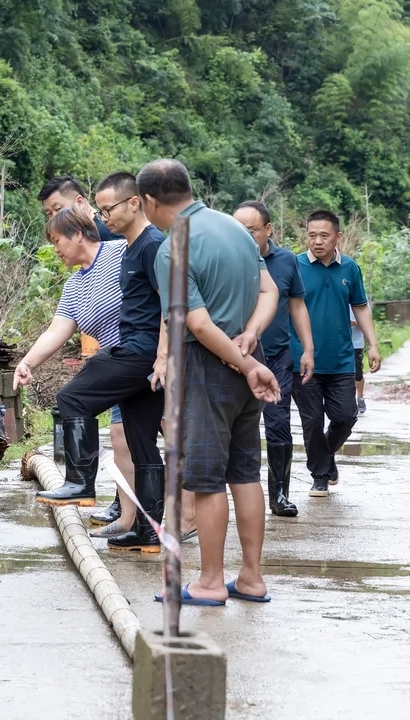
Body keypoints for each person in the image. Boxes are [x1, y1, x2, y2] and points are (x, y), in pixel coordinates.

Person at [143, 159, 281, 606]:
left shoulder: (173, 248)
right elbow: (269, 292)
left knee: (205, 480)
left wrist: (242, 363)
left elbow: (199, 325)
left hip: (209, 367)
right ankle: (252, 578)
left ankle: (210, 581)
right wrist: (252, 341)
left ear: (148, 201)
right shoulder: (237, 229)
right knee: (244, 472)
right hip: (246, 357)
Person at [34, 171, 168, 554]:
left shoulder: (150, 246)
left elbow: (171, 303)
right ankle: (148, 532)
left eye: (107, 208)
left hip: (140, 351)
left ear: (134, 203)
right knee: (143, 446)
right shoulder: (130, 247)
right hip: (143, 356)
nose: (102, 215)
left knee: (73, 399)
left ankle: (80, 482)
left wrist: (163, 357)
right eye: (100, 209)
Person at [12, 208, 138, 539]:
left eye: (57, 241)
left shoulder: (119, 251)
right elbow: (57, 331)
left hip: (144, 356)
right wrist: (27, 363)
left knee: (170, 433)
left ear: (78, 235)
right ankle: (130, 521)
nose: (55, 249)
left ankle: (189, 513)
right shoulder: (75, 284)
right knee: (123, 440)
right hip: (119, 364)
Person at [290, 211, 381, 498]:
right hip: (302, 360)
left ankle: (324, 457)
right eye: (312, 235)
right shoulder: (295, 265)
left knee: (346, 415)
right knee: (313, 420)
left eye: (324, 235)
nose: (317, 241)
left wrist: (373, 344)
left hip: (341, 358)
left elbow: (361, 306)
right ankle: (319, 476)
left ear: (337, 237)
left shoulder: (350, 268)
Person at [233, 201, 315, 517]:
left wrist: (307, 349)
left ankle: (279, 495)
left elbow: (296, 306)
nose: (243, 236)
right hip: (234, 356)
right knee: (238, 427)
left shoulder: (286, 262)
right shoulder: (227, 257)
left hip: (276, 357)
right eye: (237, 229)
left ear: (268, 229)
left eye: (250, 230)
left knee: (278, 423)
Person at [38, 175, 120, 242]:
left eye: (58, 209)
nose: (54, 218)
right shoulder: (76, 235)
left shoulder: (109, 230)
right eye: (49, 213)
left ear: (79, 202)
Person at [351, 305, 367, 414]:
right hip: (338, 342)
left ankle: (360, 397)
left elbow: (367, 322)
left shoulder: (360, 297)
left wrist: (355, 323)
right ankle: (348, 401)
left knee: (358, 372)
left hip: (356, 343)